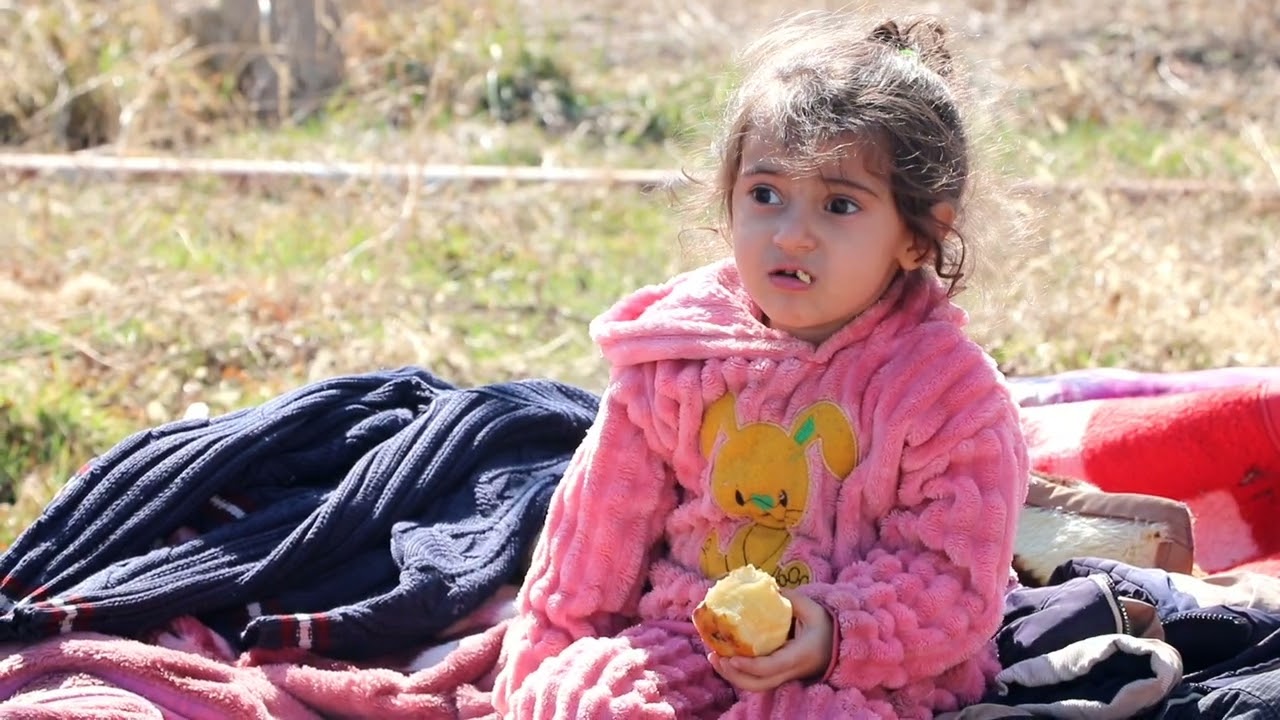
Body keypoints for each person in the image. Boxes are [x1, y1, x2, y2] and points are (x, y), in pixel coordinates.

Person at [492, 9, 1029, 719]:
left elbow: (954, 581)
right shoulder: (677, 358)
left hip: (873, 669)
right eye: (765, 195)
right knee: (590, 701)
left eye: (839, 204)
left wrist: (831, 631)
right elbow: (594, 550)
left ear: (919, 236)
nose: (792, 235)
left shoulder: (945, 394)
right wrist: (540, 677)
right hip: (685, 640)